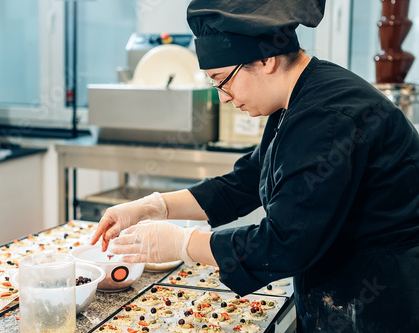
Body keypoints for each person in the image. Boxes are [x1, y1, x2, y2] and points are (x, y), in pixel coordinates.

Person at [91, 0, 419, 332]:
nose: (223, 97)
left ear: (265, 59)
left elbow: (285, 243)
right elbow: (245, 182)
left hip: (377, 300)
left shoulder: (327, 116)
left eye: (222, 80)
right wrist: (152, 207)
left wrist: (183, 243)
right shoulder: (296, 99)